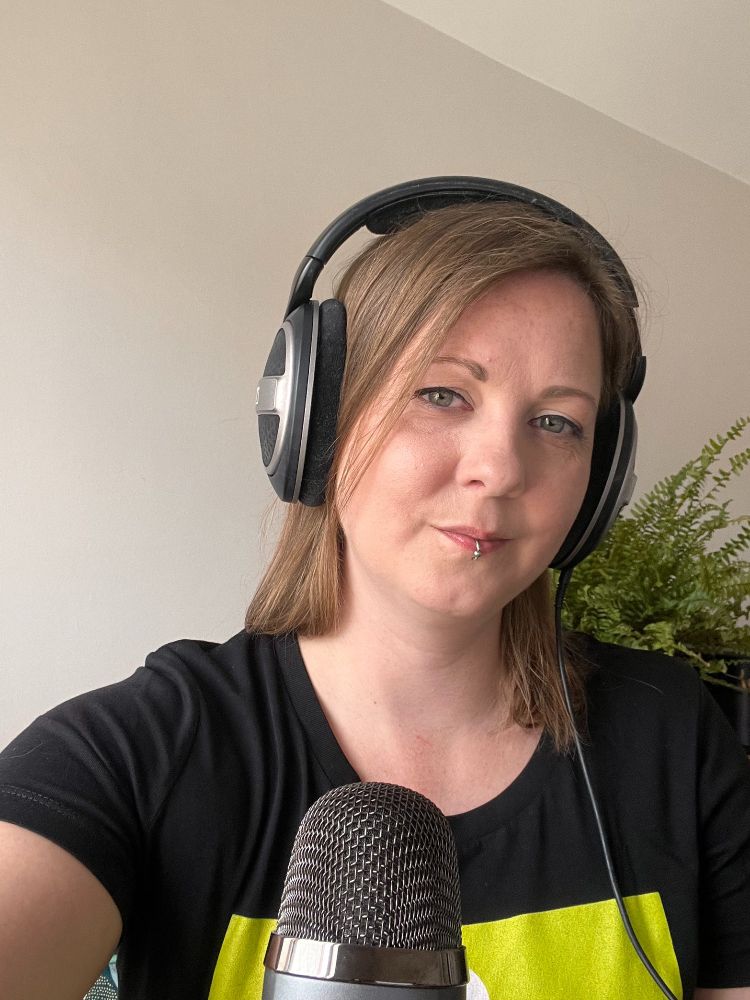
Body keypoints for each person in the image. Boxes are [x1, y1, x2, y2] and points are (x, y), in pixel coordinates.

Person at [1, 180, 749, 1000]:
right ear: (318, 419)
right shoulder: (144, 750)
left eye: (556, 422)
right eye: (442, 394)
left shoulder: (673, 735)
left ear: (599, 480)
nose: (499, 469)